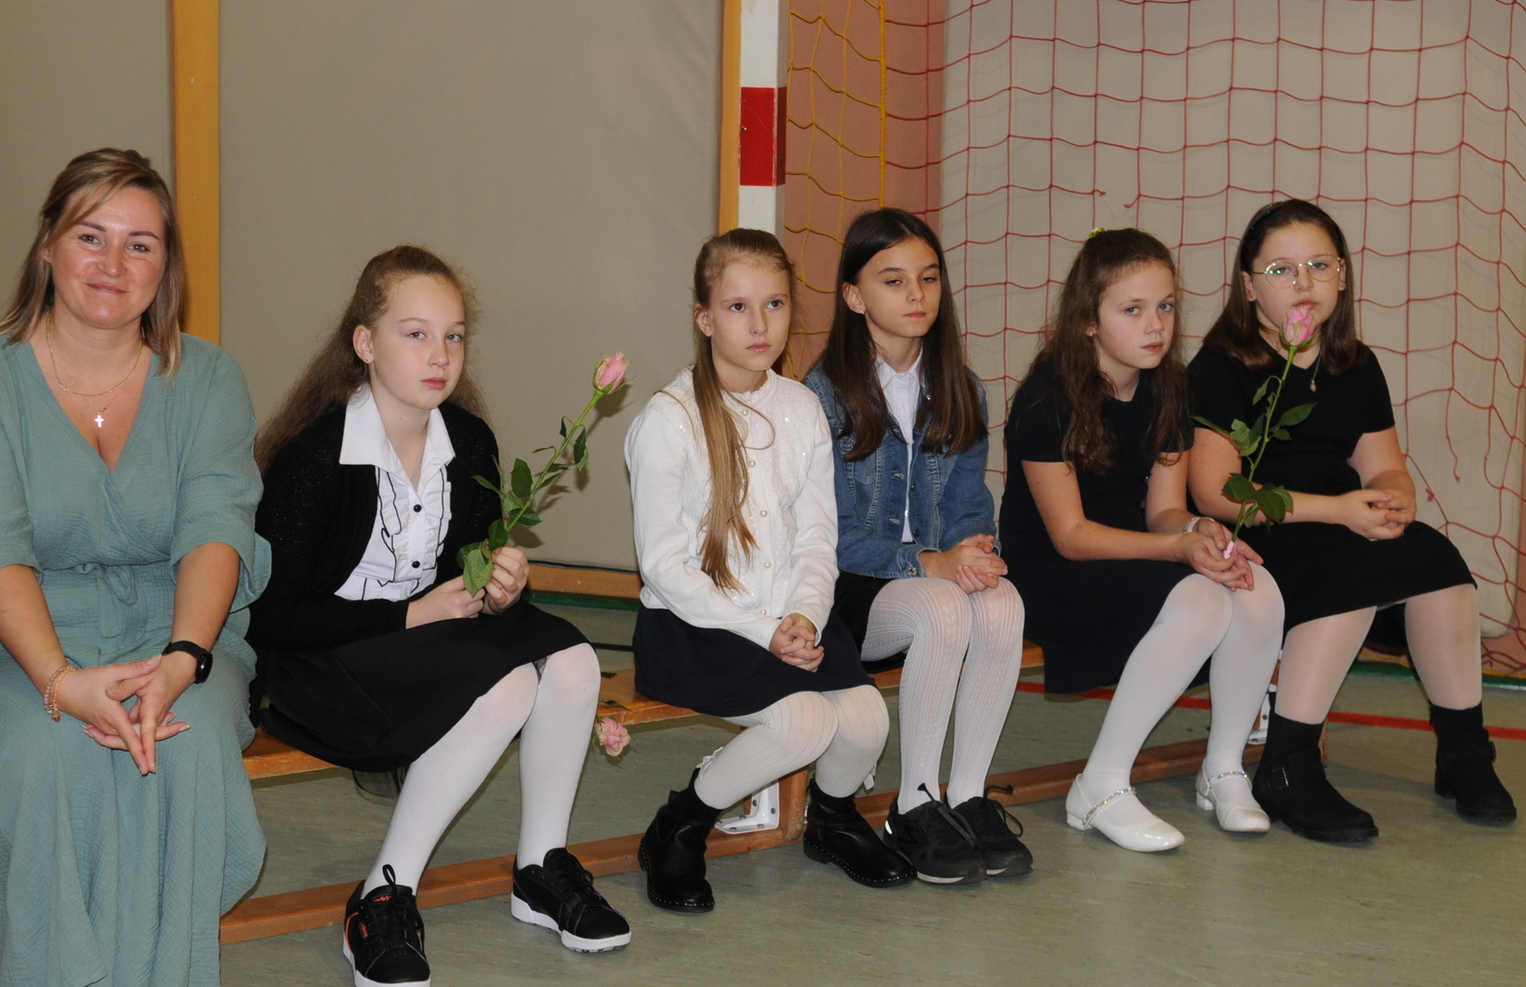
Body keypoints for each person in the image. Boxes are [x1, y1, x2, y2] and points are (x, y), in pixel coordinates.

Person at [0, 148, 269, 985]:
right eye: (91, 236)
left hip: (175, 632)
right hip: (9, 646)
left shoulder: (209, 377)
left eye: (140, 244)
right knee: (52, 754)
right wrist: (60, 680)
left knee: (187, 748)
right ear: (48, 245)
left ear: (165, 266)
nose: (114, 263)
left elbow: (216, 528)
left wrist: (184, 660)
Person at [249, 246, 628, 986]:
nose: (440, 355)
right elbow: (270, 618)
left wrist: (500, 584)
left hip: (427, 641)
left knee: (575, 660)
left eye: (453, 336)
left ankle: (541, 868)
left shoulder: (469, 441)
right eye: (415, 334)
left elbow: (463, 577)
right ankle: (382, 894)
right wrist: (410, 617)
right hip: (323, 662)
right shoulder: (314, 457)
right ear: (365, 343)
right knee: (506, 686)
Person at [1188, 199, 1516, 841]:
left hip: (1343, 525)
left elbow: (1384, 467)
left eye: (1319, 265)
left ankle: (1464, 752)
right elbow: (1219, 492)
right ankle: (1287, 763)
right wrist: (1339, 511)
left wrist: (1393, 499)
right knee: (1346, 568)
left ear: (1342, 275)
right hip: (1265, 534)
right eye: (1281, 270)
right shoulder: (1222, 366)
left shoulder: (1355, 363)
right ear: (1248, 287)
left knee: (1438, 562)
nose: (1303, 282)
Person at [627, 228, 913, 912]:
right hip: (697, 624)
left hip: (790, 613)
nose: (760, 325)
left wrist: (806, 614)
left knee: (866, 720)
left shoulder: (801, 405)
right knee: (803, 724)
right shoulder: (669, 419)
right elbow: (663, 567)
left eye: (775, 305)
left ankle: (831, 820)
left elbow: (817, 537)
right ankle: (681, 823)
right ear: (704, 318)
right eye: (737, 307)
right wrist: (765, 631)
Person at [998, 228, 1285, 852]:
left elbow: (1163, 513)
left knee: (1257, 588)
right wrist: (1178, 549)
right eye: (1132, 309)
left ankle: (1223, 769)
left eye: (1166, 306)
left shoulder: (1168, 387)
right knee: (1200, 600)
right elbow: (1071, 537)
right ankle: (1100, 783)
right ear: (1087, 321)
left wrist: (1198, 530)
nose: (1155, 325)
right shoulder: (1045, 400)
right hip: (1050, 572)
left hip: (1132, 554)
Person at [803, 207, 1030, 884]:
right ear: (854, 296)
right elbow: (831, 538)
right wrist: (928, 564)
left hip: (928, 573)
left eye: (928, 278)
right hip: (847, 586)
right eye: (893, 280)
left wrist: (973, 552)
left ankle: (969, 796)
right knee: (943, 606)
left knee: (1003, 604)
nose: (916, 295)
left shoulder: (961, 389)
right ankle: (914, 804)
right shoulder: (823, 396)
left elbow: (966, 505)